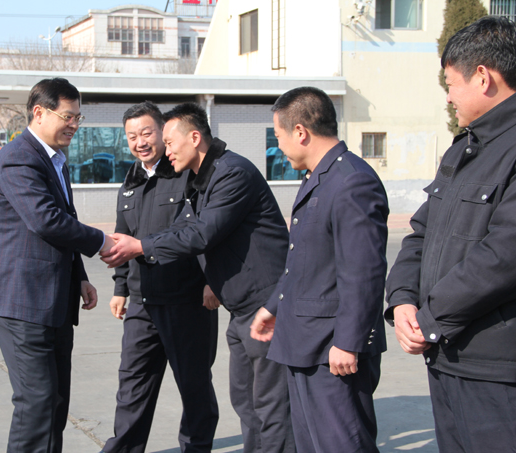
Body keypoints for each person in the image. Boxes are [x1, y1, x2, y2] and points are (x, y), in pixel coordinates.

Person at [101, 103, 294, 453]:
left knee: (263, 404)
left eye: (160, 138)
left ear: (191, 137)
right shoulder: (145, 181)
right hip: (195, 304)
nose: (156, 146)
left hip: (245, 302)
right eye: (132, 136)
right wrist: (123, 281)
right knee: (246, 400)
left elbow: (201, 233)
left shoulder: (222, 174)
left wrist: (143, 247)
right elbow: (179, 228)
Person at [385, 16, 516, 452]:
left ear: (483, 77)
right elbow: (421, 232)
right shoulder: (466, 148)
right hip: (446, 356)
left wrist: (430, 318)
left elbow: (504, 256)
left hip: (496, 369)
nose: (448, 96)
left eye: (450, 84)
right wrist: (403, 300)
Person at [250, 87, 389, 453]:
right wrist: (274, 306)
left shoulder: (351, 181)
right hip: (305, 342)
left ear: (300, 132)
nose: (278, 145)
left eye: (278, 135)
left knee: (343, 444)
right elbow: (306, 260)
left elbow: (364, 271)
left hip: (333, 351)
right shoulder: (319, 177)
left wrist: (349, 341)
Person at [0, 77, 114, 453]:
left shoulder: (56, 160)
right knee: (36, 403)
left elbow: (63, 221)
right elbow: (46, 221)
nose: (74, 125)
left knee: (55, 402)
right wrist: (103, 241)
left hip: (54, 300)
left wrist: (80, 277)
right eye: (67, 116)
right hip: (23, 304)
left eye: (78, 117)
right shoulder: (19, 158)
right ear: (39, 113)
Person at [101, 101, 219, 453]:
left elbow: (208, 232)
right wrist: (121, 287)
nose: (140, 142)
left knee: (193, 385)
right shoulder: (130, 181)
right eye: (131, 136)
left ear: (163, 132)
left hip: (188, 301)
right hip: (142, 302)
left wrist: (212, 280)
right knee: (132, 384)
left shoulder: (186, 173)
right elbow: (123, 236)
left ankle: (195, 448)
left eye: (147, 133)